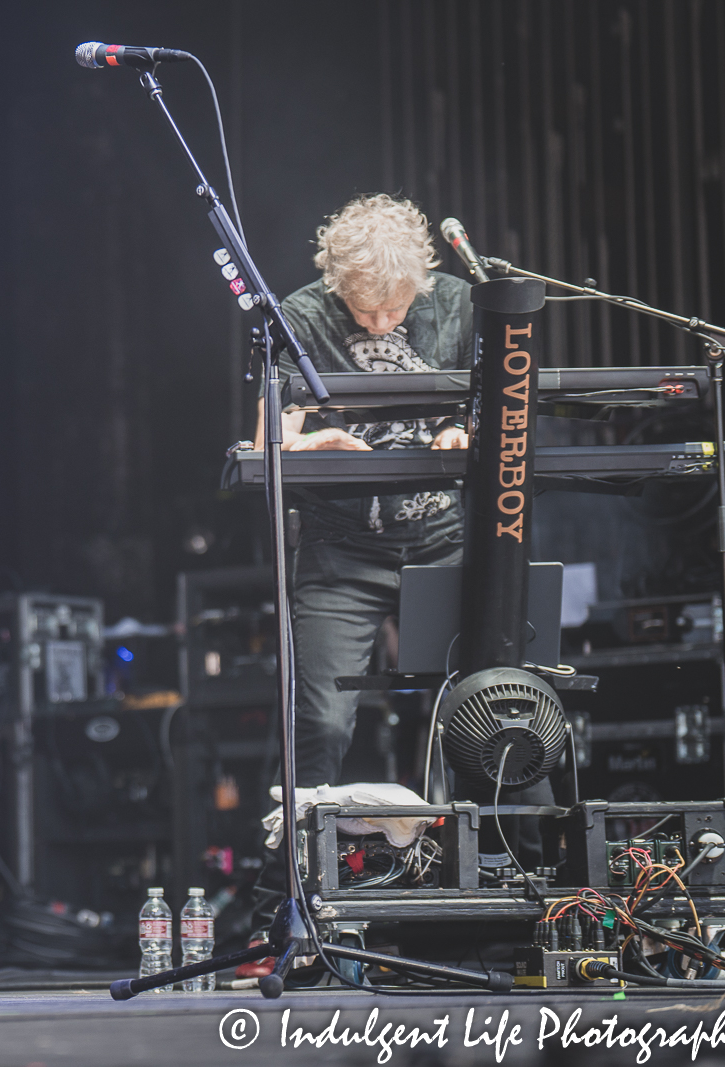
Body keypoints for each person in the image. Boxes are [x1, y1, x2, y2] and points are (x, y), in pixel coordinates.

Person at [245, 194, 548, 927]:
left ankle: (531, 879)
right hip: (341, 550)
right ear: (336, 285)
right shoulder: (303, 314)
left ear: (421, 282)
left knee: (498, 702)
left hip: (443, 538)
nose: (380, 322)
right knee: (319, 718)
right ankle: (289, 903)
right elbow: (263, 440)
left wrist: (463, 440)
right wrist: (310, 443)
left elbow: (499, 412)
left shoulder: (459, 304)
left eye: (393, 309)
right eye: (364, 309)